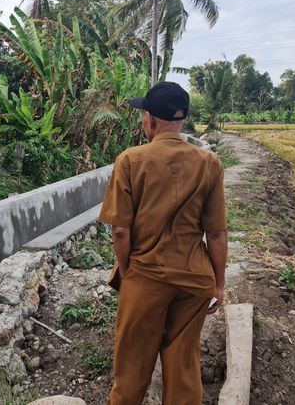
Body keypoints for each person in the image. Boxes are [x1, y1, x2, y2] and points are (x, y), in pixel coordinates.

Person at [99, 82, 228, 405]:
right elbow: (216, 233)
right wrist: (219, 285)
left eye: (144, 115)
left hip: (146, 278)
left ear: (151, 120)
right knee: (184, 370)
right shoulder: (209, 163)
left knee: (131, 373)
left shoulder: (130, 160)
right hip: (195, 281)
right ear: (181, 119)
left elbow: (120, 232)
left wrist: (130, 272)